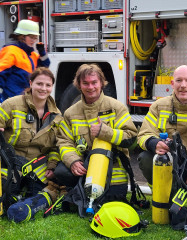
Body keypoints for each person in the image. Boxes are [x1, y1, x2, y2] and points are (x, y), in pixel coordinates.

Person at [55, 63, 137, 199]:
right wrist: (73, 161)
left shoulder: (116, 107)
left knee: (112, 199)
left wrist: (105, 132)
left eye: (94, 82)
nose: (90, 87)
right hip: (84, 167)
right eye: (85, 83)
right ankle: (78, 189)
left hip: (113, 168)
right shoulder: (70, 113)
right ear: (79, 85)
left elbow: (131, 138)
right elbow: (64, 142)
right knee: (62, 171)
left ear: (102, 83)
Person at [0, 67, 64, 222]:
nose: (43, 88)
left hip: (37, 166)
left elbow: (56, 146)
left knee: (39, 194)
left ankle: (20, 199)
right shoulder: (12, 104)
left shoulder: (56, 116)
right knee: (5, 197)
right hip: (10, 163)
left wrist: (52, 165)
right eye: (39, 84)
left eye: (48, 85)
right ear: (31, 83)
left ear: (52, 87)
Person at [0, 19, 50, 102]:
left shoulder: (30, 54)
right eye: (31, 37)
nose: (33, 41)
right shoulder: (11, 50)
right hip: (10, 100)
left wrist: (42, 52)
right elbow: (1, 75)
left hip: (23, 100)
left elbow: (44, 67)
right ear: (22, 37)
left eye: (35, 38)